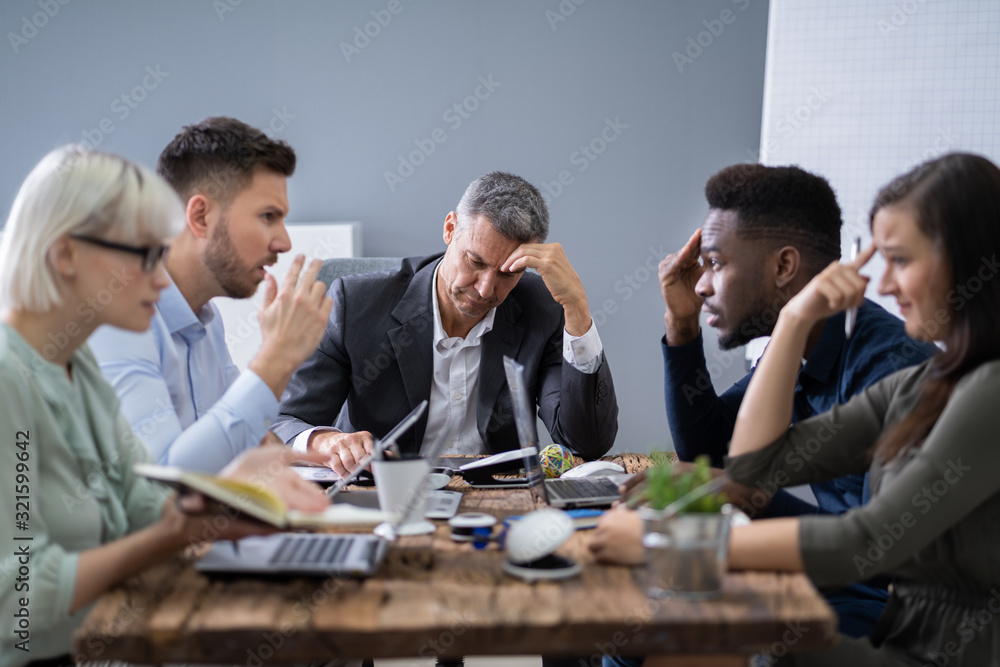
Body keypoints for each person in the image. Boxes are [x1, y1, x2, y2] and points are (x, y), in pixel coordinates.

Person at [591, 152, 1000, 665]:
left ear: (961, 261)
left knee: (673, 635)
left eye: (900, 260)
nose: (885, 285)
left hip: (927, 647)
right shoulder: (927, 382)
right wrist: (792, 320)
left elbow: (868, 542)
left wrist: (664, 544)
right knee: (644, 631)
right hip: (897, 626)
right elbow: (746, 465)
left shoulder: (975, 386)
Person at [0, 146, 330, 667]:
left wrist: (223, 507)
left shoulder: (75, 369)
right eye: (145, 256)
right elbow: (15, 604)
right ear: (65, 255)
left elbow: (142, 504)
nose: (161, 279)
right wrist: (188, 523)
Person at [657, 163, 937, 637]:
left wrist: (749, 501)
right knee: (640, 617)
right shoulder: (799, 347)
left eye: (717, 263)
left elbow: (879, 551)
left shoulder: (890, 367)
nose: (702, 284)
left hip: (884, 601)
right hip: (832, 573)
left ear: (784, 267)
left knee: (660, 627)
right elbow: (709, 450)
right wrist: (681, 327)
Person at [273, 171, 618, 475]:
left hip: (499, 497)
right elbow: (283, 424)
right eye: (475, 261)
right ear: (450, 228)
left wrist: (578, 311)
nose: (485, 289)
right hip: (384, 495)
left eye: (507, 274)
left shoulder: (542, 307)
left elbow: (585, 442)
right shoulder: (356, 305)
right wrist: (325, 442)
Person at [89, 117, 332, 472]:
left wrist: (315, 449)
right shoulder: (118, 318)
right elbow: (163, 482)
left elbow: (243, 437)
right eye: (267, 216)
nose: (284, 242)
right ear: (200, 216)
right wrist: (276, 358)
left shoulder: (207, 319)